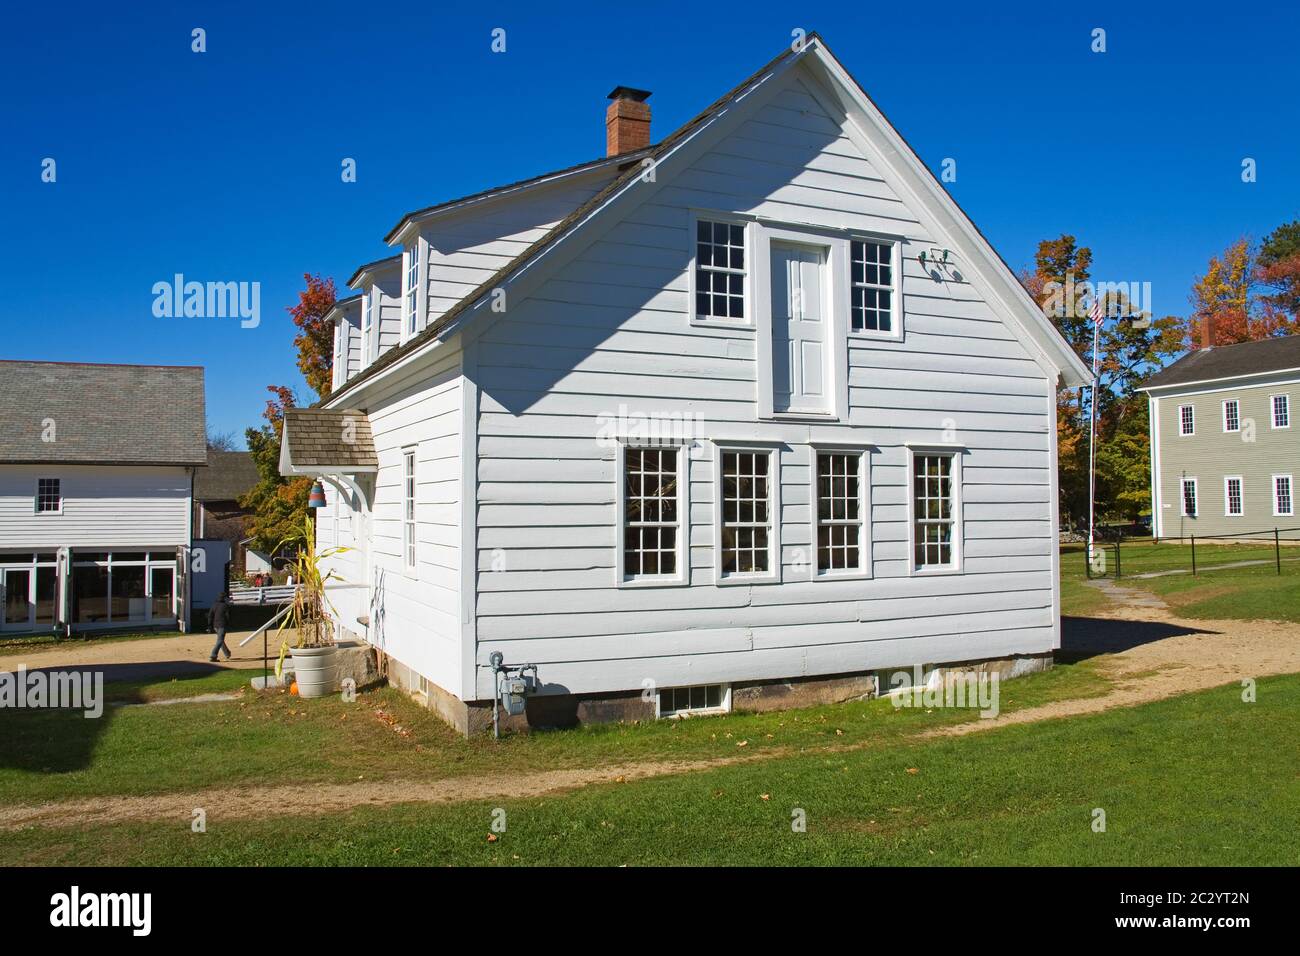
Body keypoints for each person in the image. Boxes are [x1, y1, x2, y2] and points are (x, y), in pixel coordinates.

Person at [207, 592, 231, 662]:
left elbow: (210, 616)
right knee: (220, 640)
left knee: (220, 640)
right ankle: (213, 655)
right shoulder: (225, 606)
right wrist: (228, 624)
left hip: (215, 625)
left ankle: (227, 653)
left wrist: (209, 626)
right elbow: (228, 616)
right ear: (224, 598)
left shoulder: (214, 605)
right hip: (222, 625)